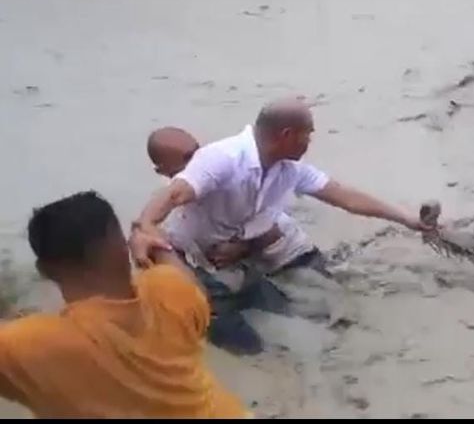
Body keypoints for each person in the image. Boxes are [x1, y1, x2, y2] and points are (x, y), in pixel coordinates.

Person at [130, 98, 434, 352]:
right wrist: (146, 225)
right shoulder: (221, 158)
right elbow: (172, 193)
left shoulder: (288, 169)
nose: (311, 141)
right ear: (287, 135)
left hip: (252, 247)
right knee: (243, 342)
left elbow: (346, 197)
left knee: (313, 304)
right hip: (205, 261)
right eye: (308, 134)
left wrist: (408, 220)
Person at [0, 191, 248, 418]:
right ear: (123, 246)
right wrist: (157, 248)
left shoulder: (33, 346)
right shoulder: (168, 290)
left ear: (45, 271)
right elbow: (193, 289)